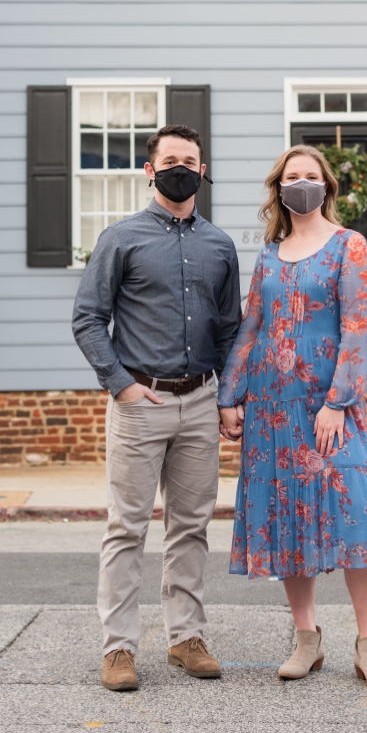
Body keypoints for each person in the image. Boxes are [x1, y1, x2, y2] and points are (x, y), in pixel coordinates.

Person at [72, 124, 242, 692]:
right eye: (170, 159)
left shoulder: (219, 245)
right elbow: (88, 318)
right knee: (126, 528)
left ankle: (185, 637)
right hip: (140, 399)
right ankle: (119, 648)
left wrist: (228, 397)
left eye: (190, 160)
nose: (181, 168)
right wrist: (120, 384)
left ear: (202, 168)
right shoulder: (121, 238)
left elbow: (229, 329)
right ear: (150, 170)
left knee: (191, 527)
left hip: (200, 401)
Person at [217, 144, 367, 687]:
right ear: (279, 188)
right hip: (271, 408)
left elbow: (356, 328)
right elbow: (251, 327)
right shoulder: (269, 254)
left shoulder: (350, 246)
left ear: (326, 187)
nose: (301, 184)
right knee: (289, 514)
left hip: (328, 407)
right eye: (291, 176)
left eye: (309, 176)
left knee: (356, 512)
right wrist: (230, 394)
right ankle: (307, 639)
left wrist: (338, 402)